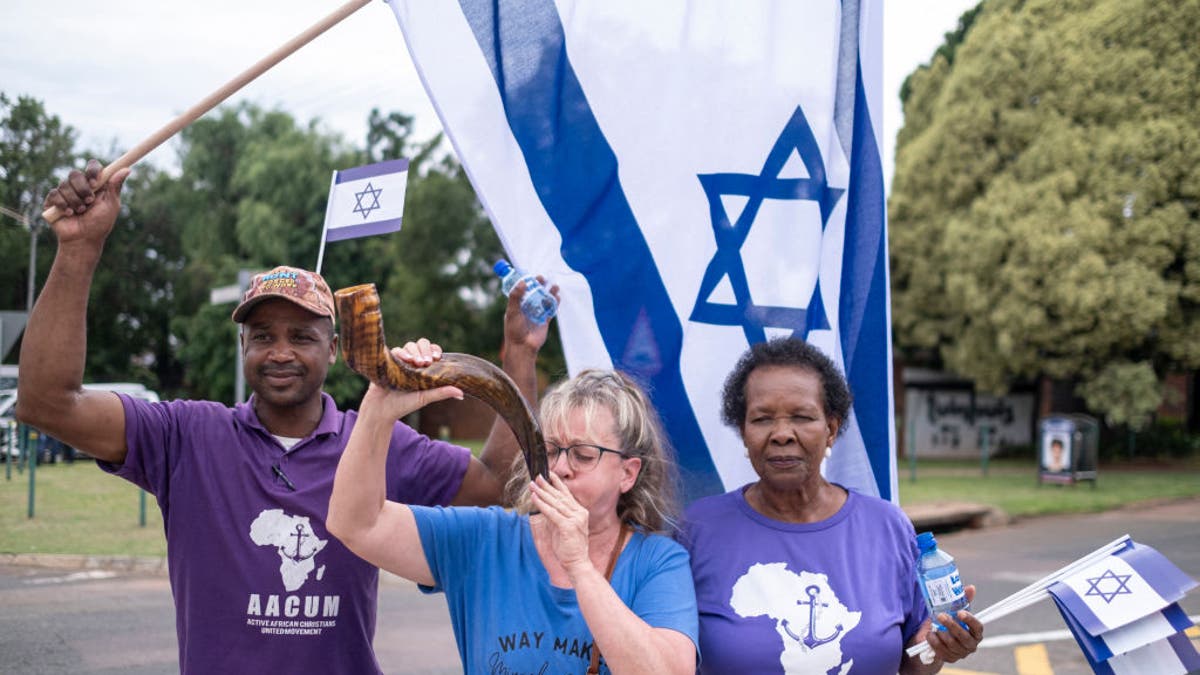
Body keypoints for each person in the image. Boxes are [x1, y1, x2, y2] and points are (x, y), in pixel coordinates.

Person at [18, 160, 554, 674]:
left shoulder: (374, 443)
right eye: (263, 336)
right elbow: (48, 403)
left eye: (301, 336)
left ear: (335, 348)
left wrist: (519, 352)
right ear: (242, 344)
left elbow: (499, 486)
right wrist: (79, 247)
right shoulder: (188, 436)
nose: (280, 352)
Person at [328, 366, 699, 674]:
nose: (561, 468)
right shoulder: (487, 538)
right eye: (550, 450)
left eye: (583, 456)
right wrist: (378, 407)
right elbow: (356, 523)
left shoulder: (659, 561)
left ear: (628, 474)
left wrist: (579, 565)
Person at [678, 337, 982, 674]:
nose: (782, 433)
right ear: (743, 432)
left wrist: (939, 648)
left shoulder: (887, 527)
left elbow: (913, 665)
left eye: (802, 417)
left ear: (831, 429)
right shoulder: (697, 529)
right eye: (762, 419)